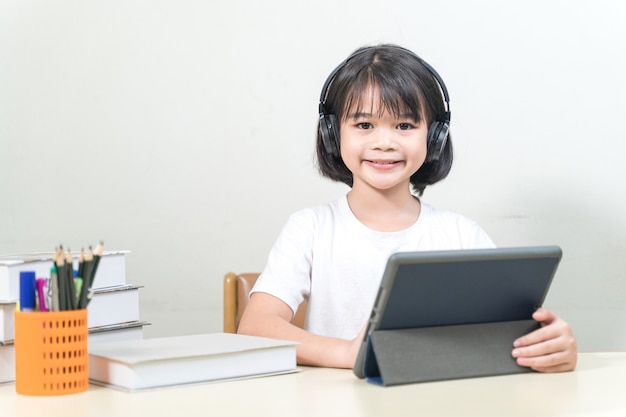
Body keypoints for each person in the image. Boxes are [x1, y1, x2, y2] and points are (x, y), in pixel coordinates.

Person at [237, 44, 577, 372]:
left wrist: (550, 347)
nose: (384, 142)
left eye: (404, 126)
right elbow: (255, 328)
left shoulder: (461, 235)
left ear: (434, 137)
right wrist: (347, 352)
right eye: (364, 125)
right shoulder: (310, 228)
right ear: (332, 134)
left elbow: (507, 335)